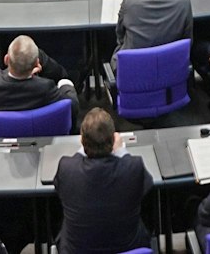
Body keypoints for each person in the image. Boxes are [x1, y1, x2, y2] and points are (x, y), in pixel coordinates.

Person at [54, 108, 154, 254]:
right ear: (114, 140)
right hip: (130, 248)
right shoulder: (134, 167)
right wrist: (121, 151)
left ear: (82, 140)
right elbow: (147, 187)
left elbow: (60, 188)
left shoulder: (66, 168)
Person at [0, 35, 75, 131]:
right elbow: (72, 105)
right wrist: (65, 83)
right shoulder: (45, 88)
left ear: (6, 59)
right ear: (37, 64)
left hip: (2, 139)